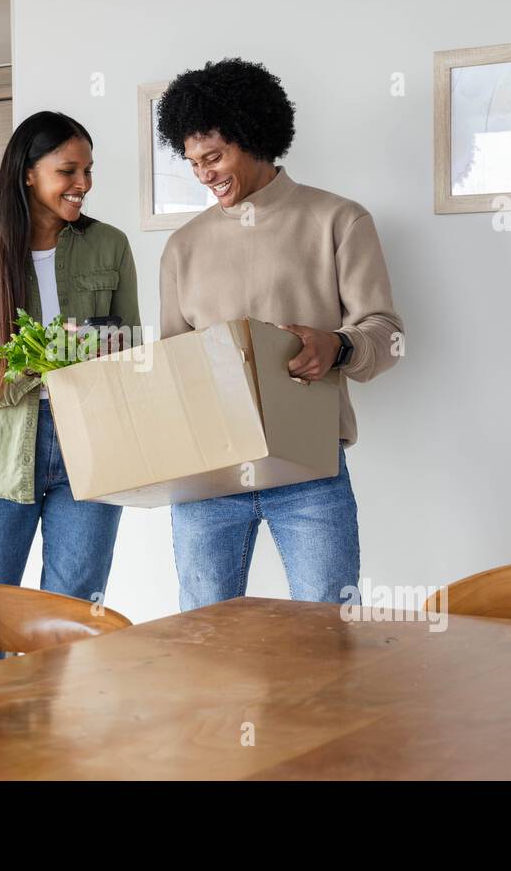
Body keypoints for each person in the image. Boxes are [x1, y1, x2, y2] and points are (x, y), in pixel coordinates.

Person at [156, 57, 404, 611]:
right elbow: (174, 366)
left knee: (327, 629)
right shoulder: (182, 247)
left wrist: (337, 347)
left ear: (254, 137)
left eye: (214, 157)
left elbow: (386, 334)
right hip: (206, 474)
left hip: (309, 466)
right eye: (192, 162)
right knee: (203, 637)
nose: (204, 174)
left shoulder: (339, 220)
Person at [0, 110, 140, 667]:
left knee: (71, 618)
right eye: (68, 170)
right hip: (3, 456)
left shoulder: (110, 246)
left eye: (88, 171)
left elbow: (134, 350)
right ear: (28, 173)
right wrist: (49, 357)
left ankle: (53, 744)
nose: (83, 184)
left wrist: (106, 350)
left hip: (91, 450)